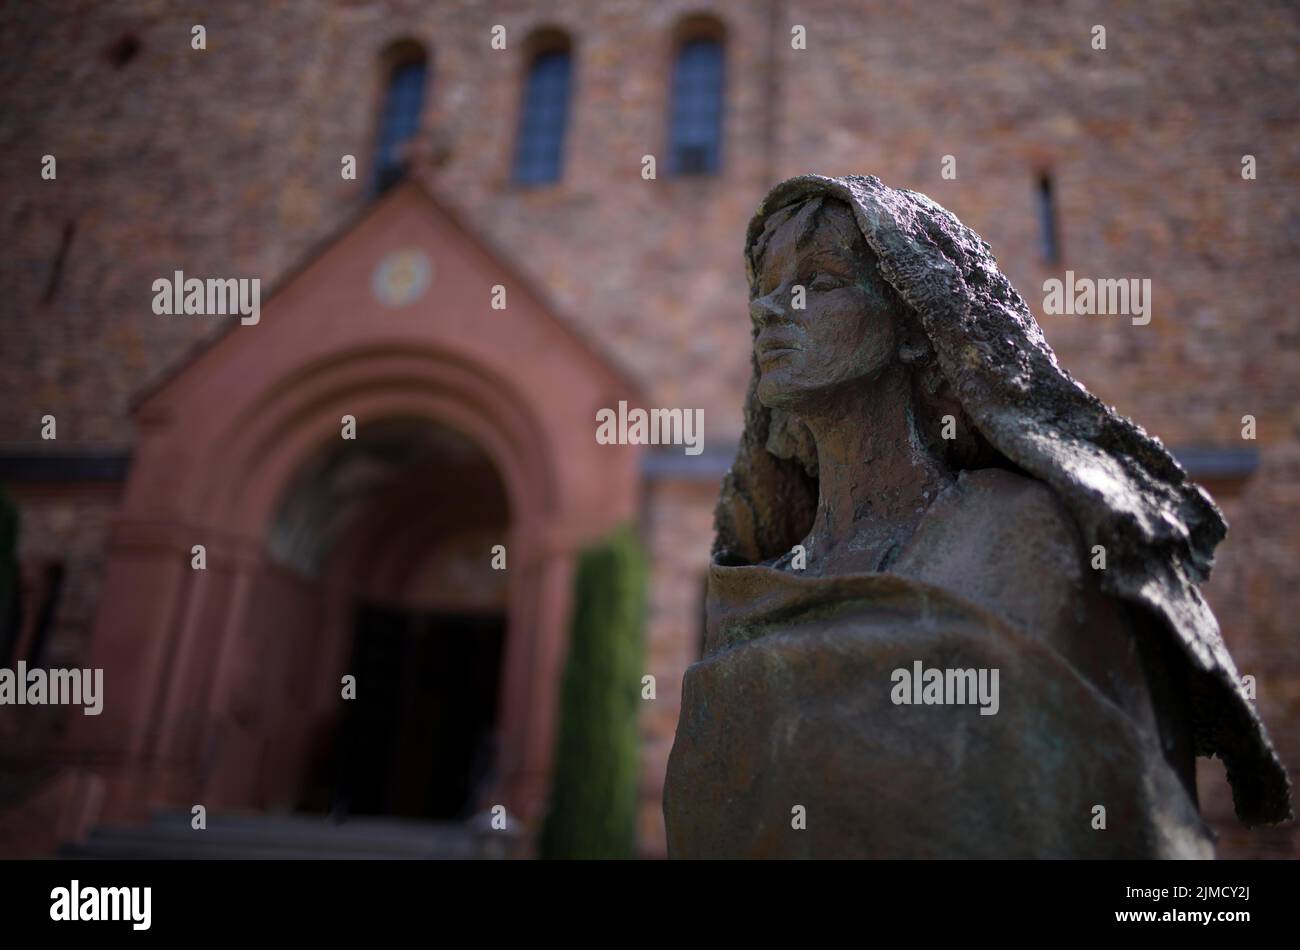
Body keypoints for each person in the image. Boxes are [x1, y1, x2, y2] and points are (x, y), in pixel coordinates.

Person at [663, 174, 1291, 858]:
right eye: (766, 285)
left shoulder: (1022, 537)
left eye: (818, 278)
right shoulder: (749, 594)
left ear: (913, 322)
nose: (770, 308)